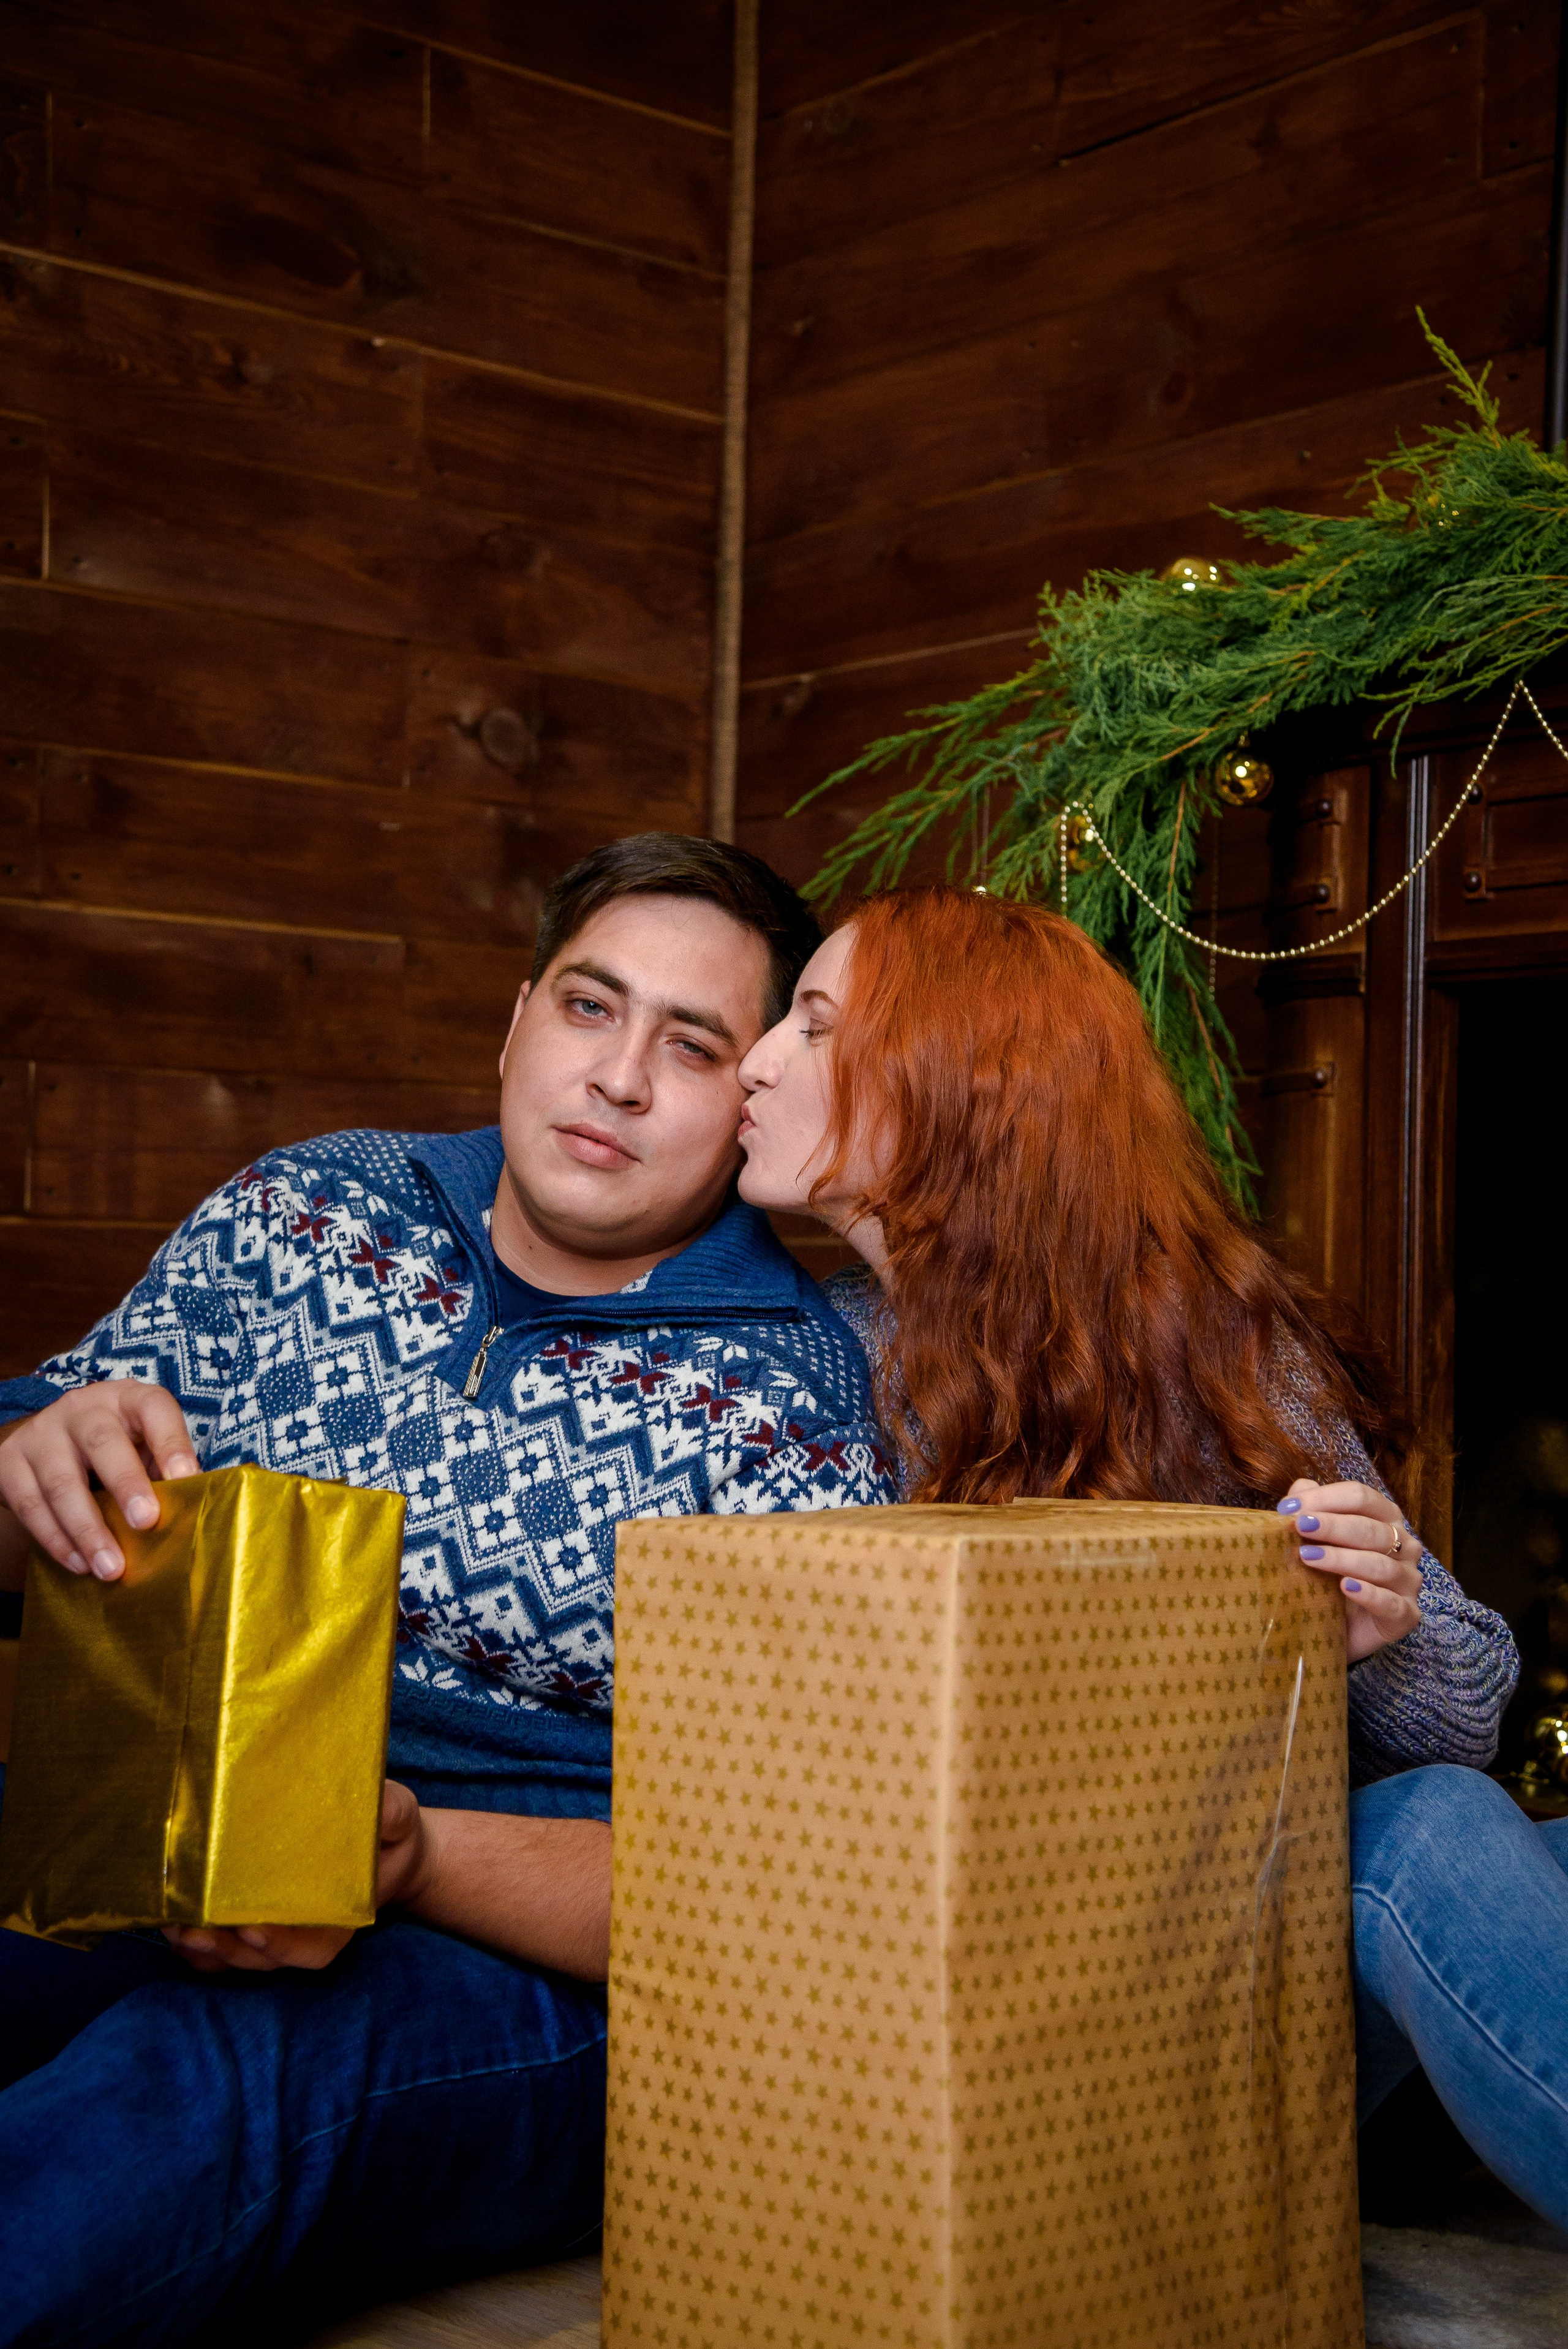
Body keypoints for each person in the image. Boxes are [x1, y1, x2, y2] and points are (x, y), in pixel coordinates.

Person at [0, 833, 897, 2344]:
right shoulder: (307, 1212)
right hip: (174, 1844)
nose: (616, 1078)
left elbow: (765, 1897)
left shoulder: (794, 1416)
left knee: (212, 2072)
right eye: (586, 1008)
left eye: (690, 1046)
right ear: (514, 1020)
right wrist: (31, 1457)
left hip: (521, 1971)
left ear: (748, 1101)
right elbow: (35, 1497)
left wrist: (405, 1856)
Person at [731, 884, 1568, 2229]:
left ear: (960, 1081)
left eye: (814, 1028)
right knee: (1423, 1837)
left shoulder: (1201, 1336)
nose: (757, 1059)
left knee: (1514, 1838)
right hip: (1051, 2034)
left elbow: (1465, 1715)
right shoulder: (795, 1363)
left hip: (1269, 1982)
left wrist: (1382, 1623)